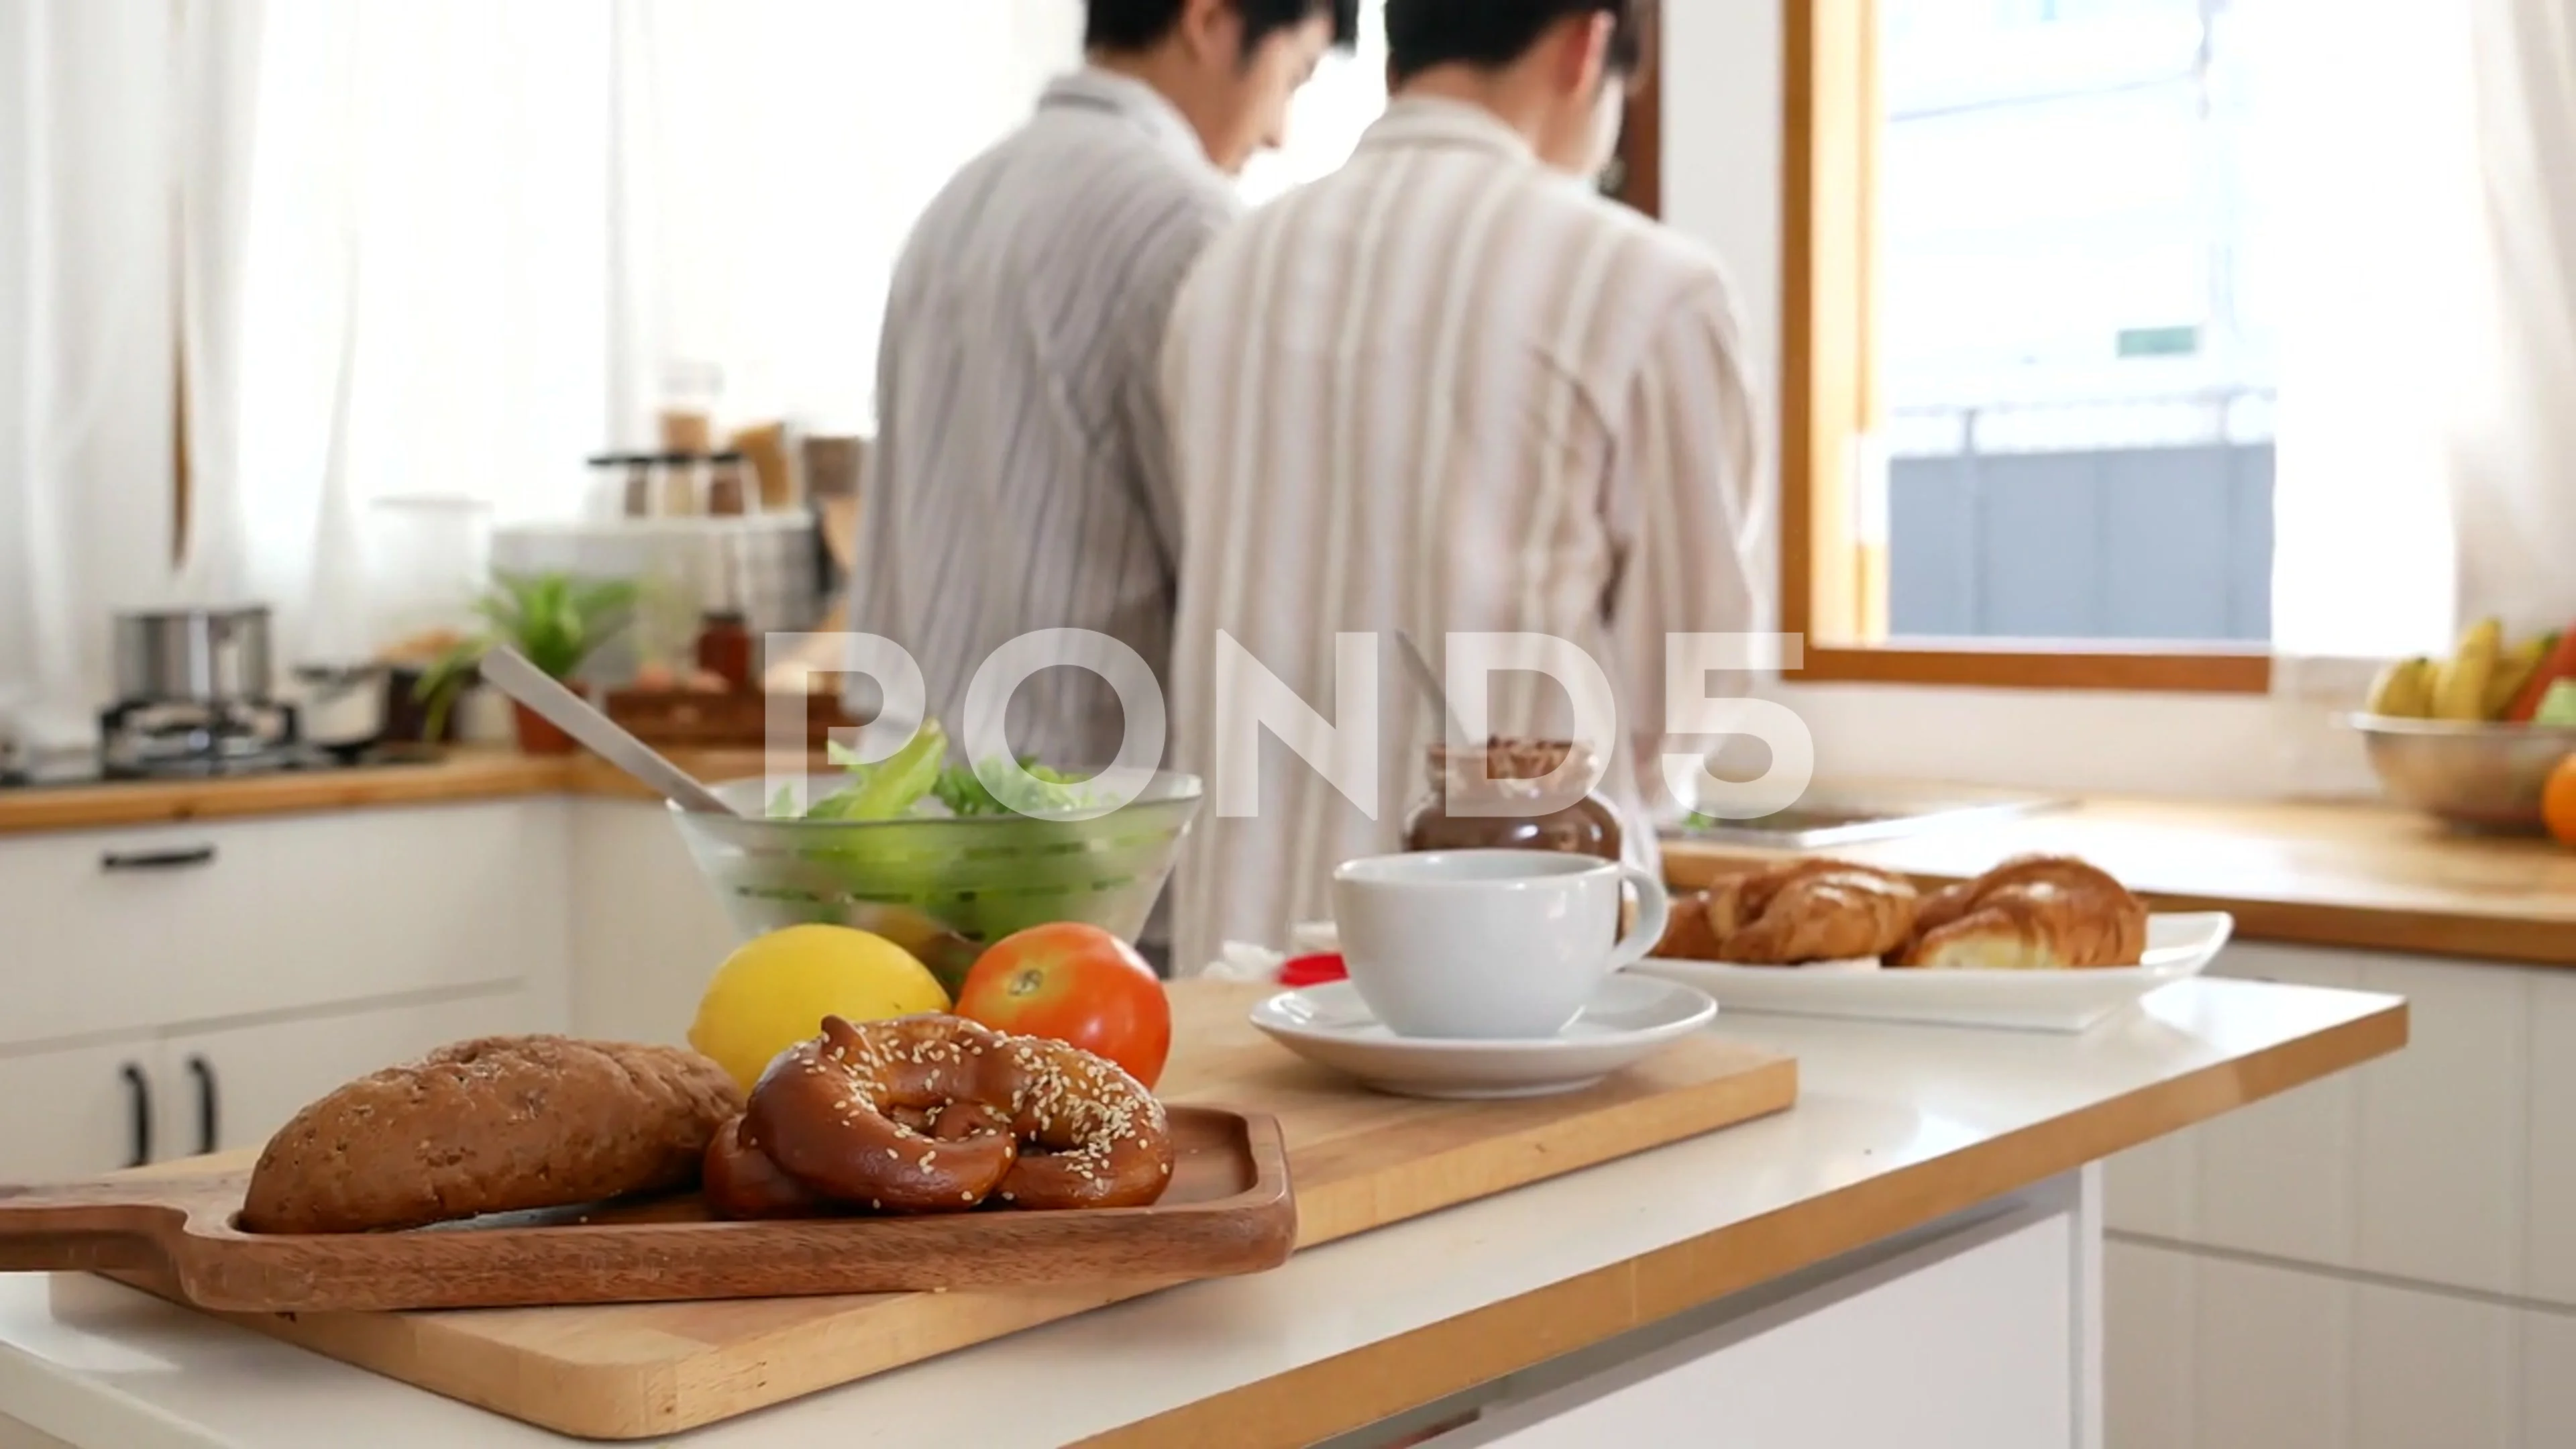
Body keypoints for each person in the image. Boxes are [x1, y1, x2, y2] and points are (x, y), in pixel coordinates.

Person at [1161, 0, 1764, 973]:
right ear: (1588, 45)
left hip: (1241, 973)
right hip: (1506, 983)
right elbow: (1692, 676)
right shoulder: (1642, 283)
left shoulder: (1228, 270)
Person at [849, 0, 1352, 777]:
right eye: (1296, 75)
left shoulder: (957, 205)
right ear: (1210, 20)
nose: (1280, 131)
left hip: (904, 816)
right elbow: (1246, 582)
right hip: (1073, 841)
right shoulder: (1185, 224)